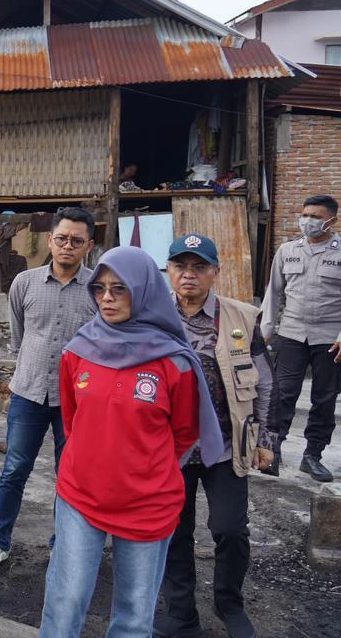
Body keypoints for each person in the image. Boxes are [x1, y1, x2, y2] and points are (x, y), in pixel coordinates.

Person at [38, 246, 224, 638]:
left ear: (143, 290)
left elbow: (184, 434)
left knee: (134, 615)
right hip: (81, 494)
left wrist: (140, 467)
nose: (106, 298)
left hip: (147, 502)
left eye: (119, 288)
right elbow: (72, 420)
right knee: (66, 599)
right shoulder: (77, 352)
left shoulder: (173, 361)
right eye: (100, 288)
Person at [155, 234, 274, 638]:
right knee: (175, 531)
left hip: (226, 446)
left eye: (199, 266)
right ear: (169, 271)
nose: (188, 274)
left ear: (215, 272)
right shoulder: (151, 316)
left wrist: (265, 440)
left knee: (230, 530)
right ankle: (181, 613)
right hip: (171, 449)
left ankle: (229, 603)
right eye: (180, 266)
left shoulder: (242, 317)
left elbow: (265, 382)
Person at [0, 206, 95, 575]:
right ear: (50, 240)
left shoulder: (97, 289)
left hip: (76, 401)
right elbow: (19, 336)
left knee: (70, 476)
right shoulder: (24, 283)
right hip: (28, 393)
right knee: (14, 469)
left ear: (89, 245)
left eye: (76, 241)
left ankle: (63, 546)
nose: (67, 246)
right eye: (62, 238)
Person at [260, 194, 341, 482]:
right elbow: (273, 294)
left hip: (330, 338)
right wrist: (264, 333)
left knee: (324, 398)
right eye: (305, 215)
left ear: (331, 220)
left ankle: (312, 456)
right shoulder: (287, 250)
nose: (307, 221)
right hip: (291, 333)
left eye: (315, 217)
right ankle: (273, 451)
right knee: (281, 393)